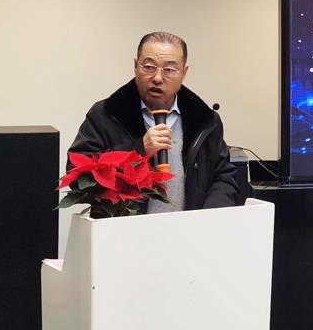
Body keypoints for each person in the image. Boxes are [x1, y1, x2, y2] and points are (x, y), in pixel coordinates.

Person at [68, 31, 241, 211]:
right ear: (136, 66)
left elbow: (224, 175)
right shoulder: (106, 114)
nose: (158, 78)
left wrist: (209, 216)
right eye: (149, 67)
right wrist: (138, 150)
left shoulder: (205, 121)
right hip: (124, 226)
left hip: (190, 227)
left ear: (184, 72)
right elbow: (77, 177)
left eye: (169, 69)